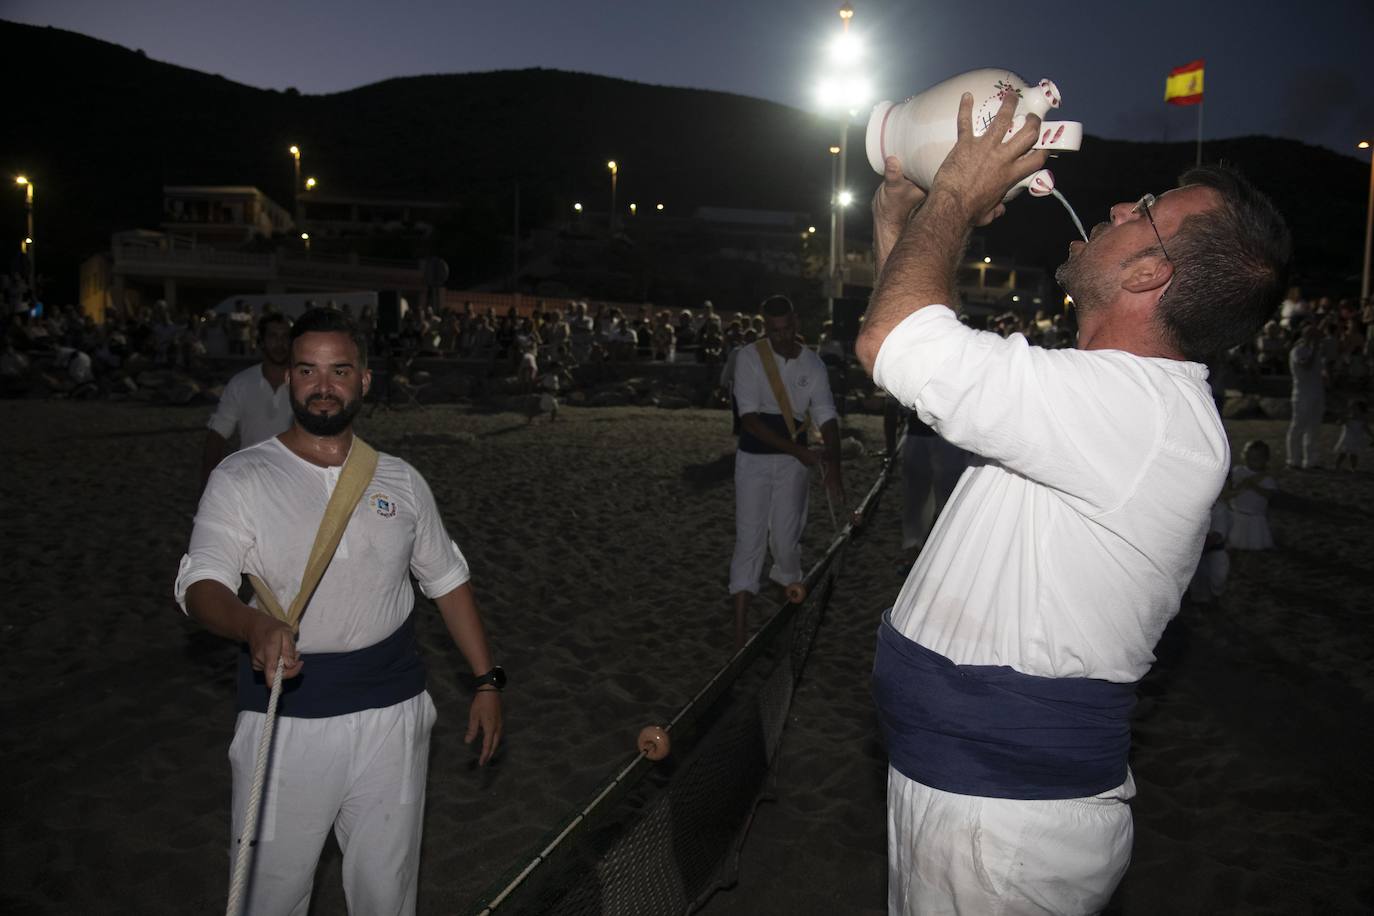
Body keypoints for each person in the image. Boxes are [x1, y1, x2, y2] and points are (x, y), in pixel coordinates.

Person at [855, 92, 1291, 914]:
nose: (1124, 203)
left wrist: (954, 189)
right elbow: (918, 349)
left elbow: (892, 341)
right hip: (969, 799)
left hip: (1004, 829)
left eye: (1150, 209)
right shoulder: (1108, 402)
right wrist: (901, 212)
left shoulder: (1145, 416)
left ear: (1148, 272)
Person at [174, 308, 502, 915]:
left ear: (365, 380)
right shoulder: (242, 476)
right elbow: (201, 584)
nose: (324, 385)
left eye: (340, 370)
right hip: (285, 722)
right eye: (308, 370)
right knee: (270, 897)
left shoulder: (402, 481)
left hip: (394, 717)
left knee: (387, 895)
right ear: (291, 378)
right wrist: (252, 625)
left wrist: (486, 680)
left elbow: (448, 580)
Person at [729, 295, 845, 648]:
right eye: (774, 331)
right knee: (749, 541)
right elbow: (748, 420)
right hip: (754, 461)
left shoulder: (813, 364)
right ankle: (738, 635)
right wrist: (799, 450)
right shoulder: (749, 358)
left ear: (795, 322)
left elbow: (826, 415)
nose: (781, 337)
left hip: (793, 465)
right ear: (765, 327)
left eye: (787, 329)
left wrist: (834, 465)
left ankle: (783, 624)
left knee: (785, 541)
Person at [200, 313, 295, 494]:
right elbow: (217, 436)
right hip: (251, 486)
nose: (280, 343)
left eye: (285, 337)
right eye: (273, 336)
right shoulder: (241, 383)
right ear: (261, 341)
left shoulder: (307, 385)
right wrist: (206, 491)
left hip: (294, 486)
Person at [1286, 322, 1326, 469]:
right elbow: (1306, 365)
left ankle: (1311, 460)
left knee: (1314, 427)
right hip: (1302, 394)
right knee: (1298, 426)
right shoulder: (1298, 350)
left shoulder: (1315, 350)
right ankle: (1293, 460)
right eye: (1314, 335)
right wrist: (1315, 349)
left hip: (1316, 392)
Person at [1227, 439, 1277, 550]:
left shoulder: (1267, 478)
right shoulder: (1238, 471)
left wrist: (1254, 486)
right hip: (1237, 513)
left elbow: (1269, 495)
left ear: (1265, 459)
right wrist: (1241, 487)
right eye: (1249, 457)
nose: (1252, 461)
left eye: (1257, 458)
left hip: (1254, 516)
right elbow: (1230, 490)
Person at [1333, 398, 1368, 471]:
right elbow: (1339, 423)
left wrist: (1372, 436)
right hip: (1347, 439)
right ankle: (1337, 465)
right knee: (1343, 453)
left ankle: (1353, 468)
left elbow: (1366, 428)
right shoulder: (1348, 417)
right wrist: (1342, 419)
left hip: (1356, 439)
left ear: (1361, 410)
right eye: (1352, 408)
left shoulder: (1363, 419)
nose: (1354, 410)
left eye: (1356, 408)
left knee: (1354, 454)